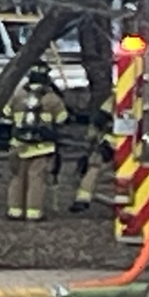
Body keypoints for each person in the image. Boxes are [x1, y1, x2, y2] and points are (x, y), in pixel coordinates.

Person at [4, 62, 69, 221]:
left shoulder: (18, 95)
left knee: (17, 177)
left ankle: (15, 211)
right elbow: (62, 119)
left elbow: (6, 113)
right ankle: (34, 212)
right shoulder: (52, 99)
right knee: (36, 179)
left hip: (18, 145)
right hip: (42, 147)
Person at [60, 86, 118, 214]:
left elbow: (99, 120)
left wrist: (91, 138)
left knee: (94, 169)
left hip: (110, 143)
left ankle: (82, 199)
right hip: (135, 145)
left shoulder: (115, 98)